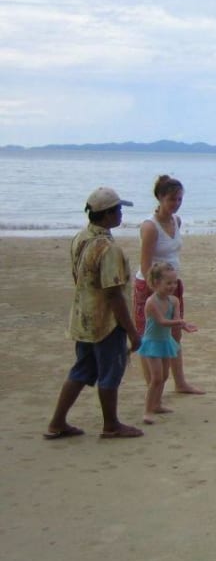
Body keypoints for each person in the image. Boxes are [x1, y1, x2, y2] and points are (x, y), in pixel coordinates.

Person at [44, 186, 143, 440]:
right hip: (105, 321)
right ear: (107, 215)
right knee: (110, 372)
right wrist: (132, 331)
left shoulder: (80, 238)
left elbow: (78, 276)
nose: (121, 214)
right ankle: (111, 425)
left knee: (81, 370)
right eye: (118, 210)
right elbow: (114, 294)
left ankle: (57, 422)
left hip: (82, 317)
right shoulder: (108, 249)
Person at [134, 174, 203, 394]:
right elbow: (145, 266)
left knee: (175, 333)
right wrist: (157, 294)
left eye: (180, 199)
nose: (176, 204)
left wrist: (170, 289)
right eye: (172, 199)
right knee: (149, 337)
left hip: (172, 285)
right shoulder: (150, 227)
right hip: (150, 287)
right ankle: (153, 388)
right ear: (160, 199)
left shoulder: (177, 221)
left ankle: (180, 383)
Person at [140, 262, 199, 424]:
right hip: (152, 343)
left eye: (175, 282)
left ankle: (157, 404)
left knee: (165, 376)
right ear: (156, 283)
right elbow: (162, 321)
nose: (172, 286)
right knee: (156, 378)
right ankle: (148, 410)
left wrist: (185, 326)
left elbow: (175, 320)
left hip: (166, 341)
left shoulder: (174, 301)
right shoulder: (151, 302)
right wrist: (181, 322)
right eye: (168, 283)